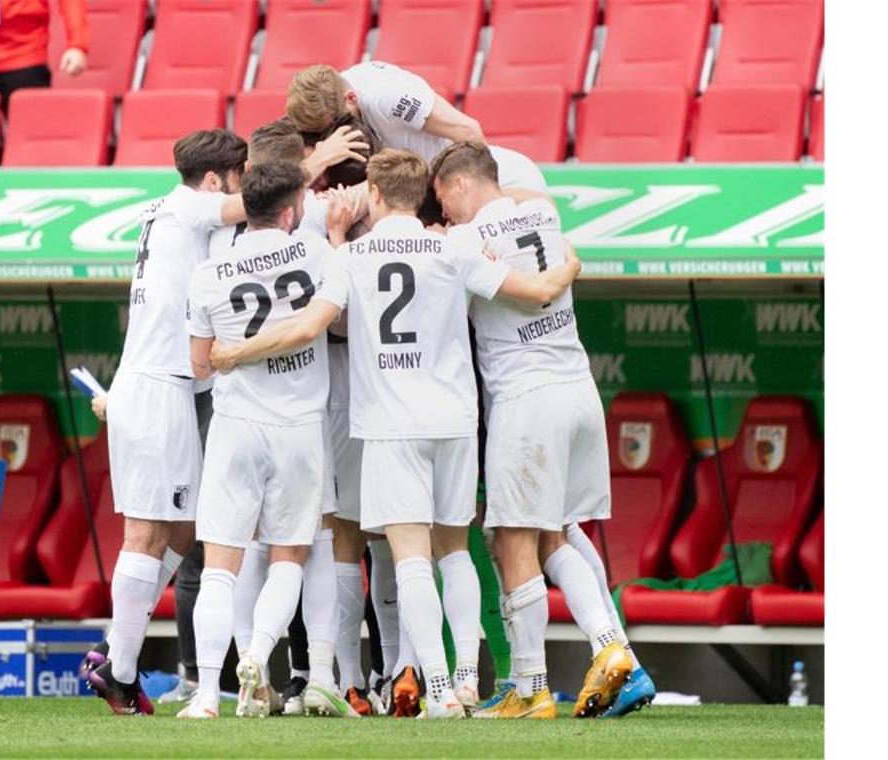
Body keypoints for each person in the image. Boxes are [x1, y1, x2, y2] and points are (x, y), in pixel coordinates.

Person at [210, 149, 581, 719]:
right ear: (419, 196)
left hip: (389, 423)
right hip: (455, 418)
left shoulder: (352, 256)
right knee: (454, 551)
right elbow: (519, 286)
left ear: (375, 197)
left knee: (409, 558)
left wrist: (333, 241)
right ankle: (462, 679)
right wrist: (568, 265)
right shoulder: (455, 244)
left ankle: (434, 688)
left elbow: (324, 323)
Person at [86, 125, 369, 715]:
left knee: (195, 540)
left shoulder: (185, 239)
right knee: (164, 536)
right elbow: (263, 202)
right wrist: (320, 160)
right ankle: (122, 663)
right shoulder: (198, 209)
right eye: (233, 178)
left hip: (183, 393)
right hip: (178, 391)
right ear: (213, 179)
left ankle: (137, 653)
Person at [429, 141, 638, 719]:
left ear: (461, 184)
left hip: (526, 400)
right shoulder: (545, 213)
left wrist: (460, 232)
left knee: (514, 539)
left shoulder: (464, 241)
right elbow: (544, 233)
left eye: (444, 199)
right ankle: (606, 646)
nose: (444, 213)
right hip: (579, 389)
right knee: (555, 534)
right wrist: (569, 265)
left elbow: (536, 290)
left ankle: (535, 688)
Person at [178, 161, 337, 720]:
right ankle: (260, 655)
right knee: (289, 556)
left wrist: (233, 353)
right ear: (291, 211)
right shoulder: (318, 254)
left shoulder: (208, 272)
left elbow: (201, 366)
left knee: (220, 566)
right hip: (299, 429)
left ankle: (204, 696)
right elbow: (315, 326)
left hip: (235, 425)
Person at [286, 62, 547, 192]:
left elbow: (469, 132)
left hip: (483, 182)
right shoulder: (322, 97)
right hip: (426, 189)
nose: (334, 134)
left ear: (351, 98)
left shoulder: (389, 95)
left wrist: (483, 207)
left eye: (335, 125)